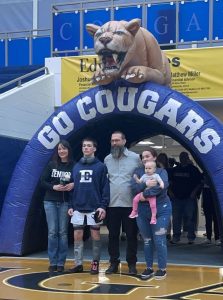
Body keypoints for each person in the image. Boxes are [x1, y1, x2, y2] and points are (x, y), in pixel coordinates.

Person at [68, 137, 110, 274]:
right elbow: (72, 187)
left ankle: (95, 263)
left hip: (94, 206)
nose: (86, 148)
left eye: (89, 146)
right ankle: (78, 263)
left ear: (94, 149)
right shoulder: (76, 166)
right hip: (78, 206)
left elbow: (105, 187)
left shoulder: (101, 166)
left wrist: (103, 206)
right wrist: (70, 205)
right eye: (84, 146)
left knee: (95, 236)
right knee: (77, 235)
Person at [104, 131, 141, 275]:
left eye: (117, 140)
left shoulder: (135, 158)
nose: (114, 143)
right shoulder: (107, 159)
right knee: (112, 235)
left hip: (130, 204)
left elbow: (141, 177)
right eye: (112, 141)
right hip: (112, 204)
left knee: (131, 235)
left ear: (124, 141)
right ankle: (114, 262)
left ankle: (131, 264)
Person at [131, 148, 172, 280]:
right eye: (143, 157)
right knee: (147, 241)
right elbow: (134, 188)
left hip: (161, 209)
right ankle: (149, 267)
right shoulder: (137, 172)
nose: (145, 159)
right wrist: (145, 185)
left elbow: (162, 187)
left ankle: (162, 268)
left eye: (147, 156)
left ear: (154, 157)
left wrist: (144, 194)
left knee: (159, 240)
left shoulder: (161, 172)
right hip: (143, 211)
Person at [41, 140, 74, 273]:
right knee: (52, 232)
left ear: (68, 150)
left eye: (64, 149)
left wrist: (73, 184)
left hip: (65, 202)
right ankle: (52, 261)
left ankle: (61, 262)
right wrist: (53, 187)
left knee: (63, 233)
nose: (61, 151)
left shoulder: (73, 166)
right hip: (50, 201)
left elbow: (78, 181)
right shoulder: (51, 165)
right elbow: (42, 181)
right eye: (59, 149)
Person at [168, 151, 202, 245]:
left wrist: (194, 193)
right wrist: (170, 192)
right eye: (181, 156)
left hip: (189, 198)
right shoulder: (175, 169)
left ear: (187, 158)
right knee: (176, 218)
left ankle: (191, 237)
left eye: (185, 156)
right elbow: (169, 182)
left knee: (190, 218)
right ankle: (176, 237)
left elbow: (199, 183)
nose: (183, 158)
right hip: (176, 198)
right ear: (180, 158)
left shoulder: (193, 169)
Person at [202, 174, 220, 246]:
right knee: (208, 218)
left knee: (216, 218)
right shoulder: (204, 173)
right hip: (207, 195)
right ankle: (208, 238)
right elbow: (203, 182)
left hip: (215, 193)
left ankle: (217, 238)